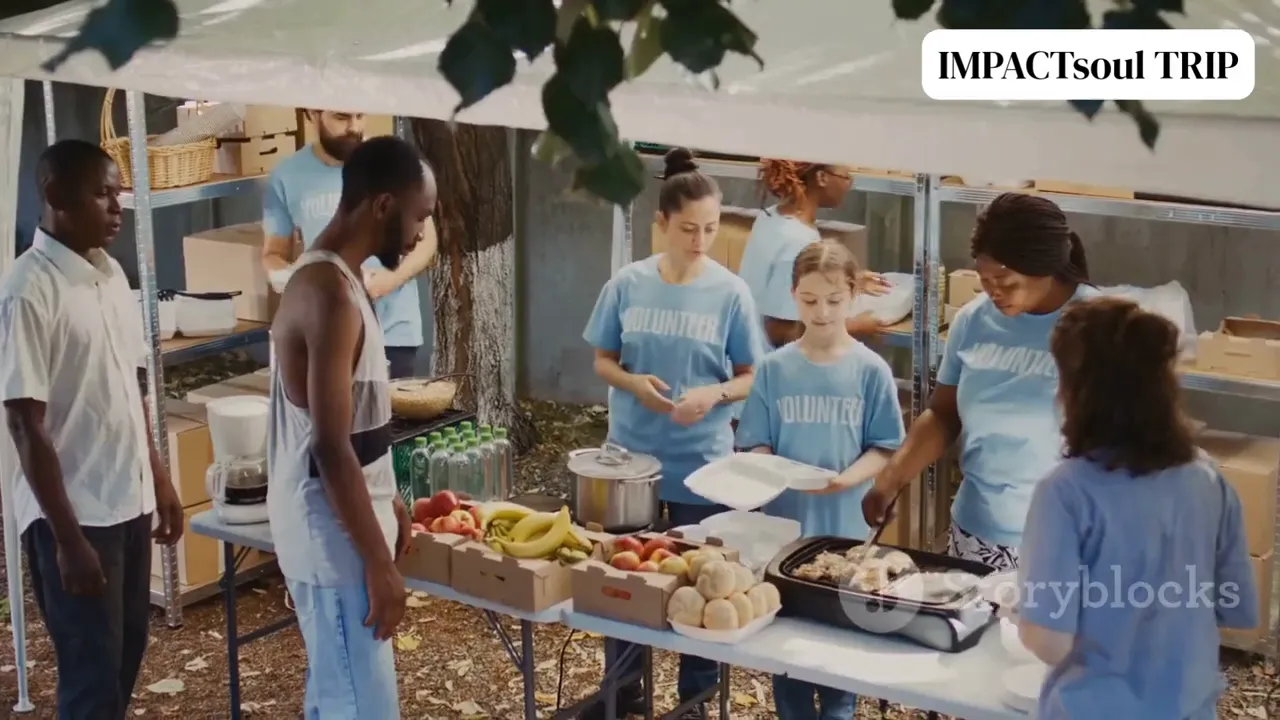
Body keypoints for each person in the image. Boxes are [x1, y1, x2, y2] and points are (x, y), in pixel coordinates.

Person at [0, 139, 185, 718]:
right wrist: (68, 539)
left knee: (127, 650)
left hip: (125, 501)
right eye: (103, 193)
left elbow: (132, 393)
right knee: (90, 672)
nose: (117, 207)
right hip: (76, 516)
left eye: (119, 193)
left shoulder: (111, 277)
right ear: (56, 196)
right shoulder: (27, 290)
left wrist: (159, 479)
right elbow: (26, 426)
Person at [581, 148, 764, 719]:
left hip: (701, 467)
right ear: (661, 223)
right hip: (629, 464)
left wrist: (713, 395)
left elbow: (752, 376)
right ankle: (625, 692)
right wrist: (634, 385)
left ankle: (696, 700)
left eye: (711, 228)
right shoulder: (626, 284)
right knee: (623, 585)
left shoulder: (732, 293)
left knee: (702, 589)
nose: (701, 240)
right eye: (689, 228)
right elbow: (603, 362)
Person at [1016, 297, 1257, 718]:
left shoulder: (1065, 492)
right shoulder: (1208, 478)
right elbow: (1234, 609)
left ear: (1075, 391)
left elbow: (1049, 642)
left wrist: (1022, 607)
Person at [266, 136, 434, 718]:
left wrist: (388, 499)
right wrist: (379, 564)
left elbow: (356, 426)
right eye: (419, 217)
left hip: (345, 533)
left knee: (337, 700)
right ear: (384, 206)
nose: (419, 235)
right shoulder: (328, 294)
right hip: (332, 546)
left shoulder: (346, 282)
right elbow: (330, 447)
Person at [862, 192, 1098, 570]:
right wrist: (892, 477)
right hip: (975, 535)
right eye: (984, 280)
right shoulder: (972, 321)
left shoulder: (1099, 328)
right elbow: (943, 415)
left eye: (1005, 280)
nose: (993, 292)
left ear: (1046, 266)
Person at [735, 242, 905, 720]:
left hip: (847, 531)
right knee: (786, 651)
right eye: (809, 301)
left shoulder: (871, 370)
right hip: (784, 533)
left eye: (833, 300)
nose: (822, 311)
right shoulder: (774, 368)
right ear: (793, 296)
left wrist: (844, 479)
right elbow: (756, 442)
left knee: (838, 650)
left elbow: (886, 445)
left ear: (853, 296)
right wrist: (773, 466)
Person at [260, 110, 438, 378]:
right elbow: (273, 254)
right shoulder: (286, 176)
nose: (354, 127)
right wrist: (292, 277)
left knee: (392, 419)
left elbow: (428, 240)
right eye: (342, 118)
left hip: (393, 334)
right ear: (312, 112)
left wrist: (390, 279)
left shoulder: (392, 161)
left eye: (359, 115)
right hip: (327, 331)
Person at [736, 159, 890, 351]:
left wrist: (847, 280)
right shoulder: (797, 240)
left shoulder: (771, 216)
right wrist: (854, 327)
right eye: (846, 177)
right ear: (822, 177)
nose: (847, 186)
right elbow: (782, 332)